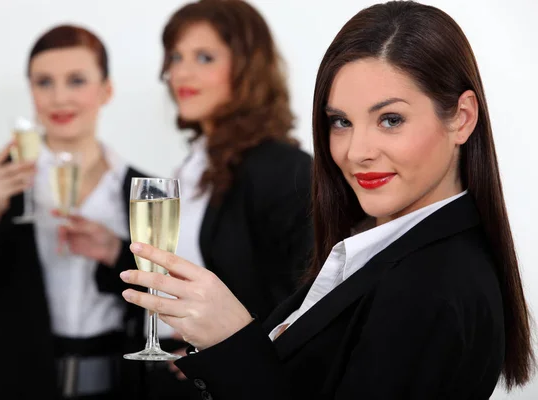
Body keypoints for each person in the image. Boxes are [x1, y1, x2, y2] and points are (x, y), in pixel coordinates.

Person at [120, 1, 535, 399]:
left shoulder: (433, 284)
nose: (356, 151)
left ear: (461, 118)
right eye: (341, 122)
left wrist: (232, 340)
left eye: (390, 119)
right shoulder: (375, 253)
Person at [0, 25, 148, 400]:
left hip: (116, 388)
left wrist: (116, 253)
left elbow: (158, 311)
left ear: (106, 90)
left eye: (77, 80)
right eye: (44, 82)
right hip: (9, 386)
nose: (59, 97)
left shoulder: (144, 189)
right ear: (30, 90)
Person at [143, 1, 314, 397]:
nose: (181, 72)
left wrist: (218, 352)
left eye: (204, 57)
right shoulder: (193, 163)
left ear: (248, 67)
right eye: (175, 57)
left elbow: (304, 299)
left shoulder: (283, 169)